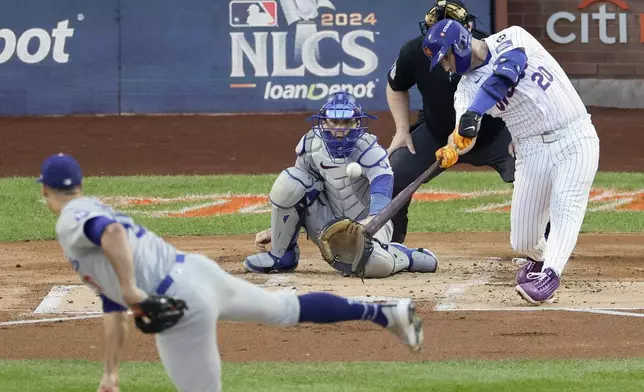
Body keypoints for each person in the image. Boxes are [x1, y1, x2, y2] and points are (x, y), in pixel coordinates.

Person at [37, 153, 424, 392]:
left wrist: (131, 291)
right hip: (196, 273)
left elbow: (112, 233)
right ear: (81, 183)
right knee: (285, 309)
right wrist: (110, 373)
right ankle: (386, 313)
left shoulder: (73, 216)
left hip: (183, 302)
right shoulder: (90, 211)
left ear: (44, 191)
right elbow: (112, 306)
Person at [423, 19, 600, 304]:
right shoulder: (465, 91)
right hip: (531, 150)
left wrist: (476, 112)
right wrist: (453, 146)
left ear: (461, 45)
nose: (446, 67)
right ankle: (544, 260)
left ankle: (550, 277)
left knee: (566, 204)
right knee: (523, 241)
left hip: (575, 135)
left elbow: (508, 70)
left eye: (446, 59)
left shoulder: (513, 36)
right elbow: (465, 132)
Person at [244, 90, 438, 278]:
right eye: (334, 121)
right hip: (327, 225)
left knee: (375, 266)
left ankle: (403, 256)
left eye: (347, 122)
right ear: (324, 121)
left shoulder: (369, 149)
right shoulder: (311, 144)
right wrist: (280, 230)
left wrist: (372, 219)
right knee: (289, 182)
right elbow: (299, 191)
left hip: (368, 225)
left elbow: (383, 185)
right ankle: (282, 255)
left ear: (357, 122)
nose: (340, 129)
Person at [386, 0, 516, 243]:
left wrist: (520, 135)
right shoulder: (416, 52)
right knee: (394, 173)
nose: (444, 58)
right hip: (437, 134)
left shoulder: (488, 49)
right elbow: (395, 85)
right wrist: (402, 130)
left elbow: (518, 93)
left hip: (495, 135)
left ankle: (545, 244)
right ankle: (390, 243)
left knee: (534, 171)